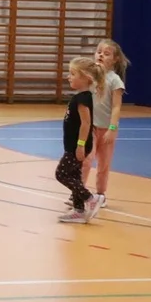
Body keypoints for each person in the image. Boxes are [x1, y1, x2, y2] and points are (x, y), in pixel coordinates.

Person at [80, 39, 130, 210]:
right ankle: (78, 192)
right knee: (86, 159)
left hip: (106, 129)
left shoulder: (115, 80)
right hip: (90, 127)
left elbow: (116, 107)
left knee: (104, 163)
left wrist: (112, 128)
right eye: (99, 51)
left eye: (106, 53)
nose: (100, 55)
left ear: (115, 59)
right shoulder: (89, 77)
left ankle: (101, 194)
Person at [57, 56, 105, 224]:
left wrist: (80, 145)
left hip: (77, 146)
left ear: (86, 78)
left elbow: (86, 124)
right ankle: (78, 210)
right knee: (75, 176)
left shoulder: (83, 98)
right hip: (72, 144)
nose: (68, 77)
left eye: (72, 74)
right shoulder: (80, 97)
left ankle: (90, 199)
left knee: (61, 174)